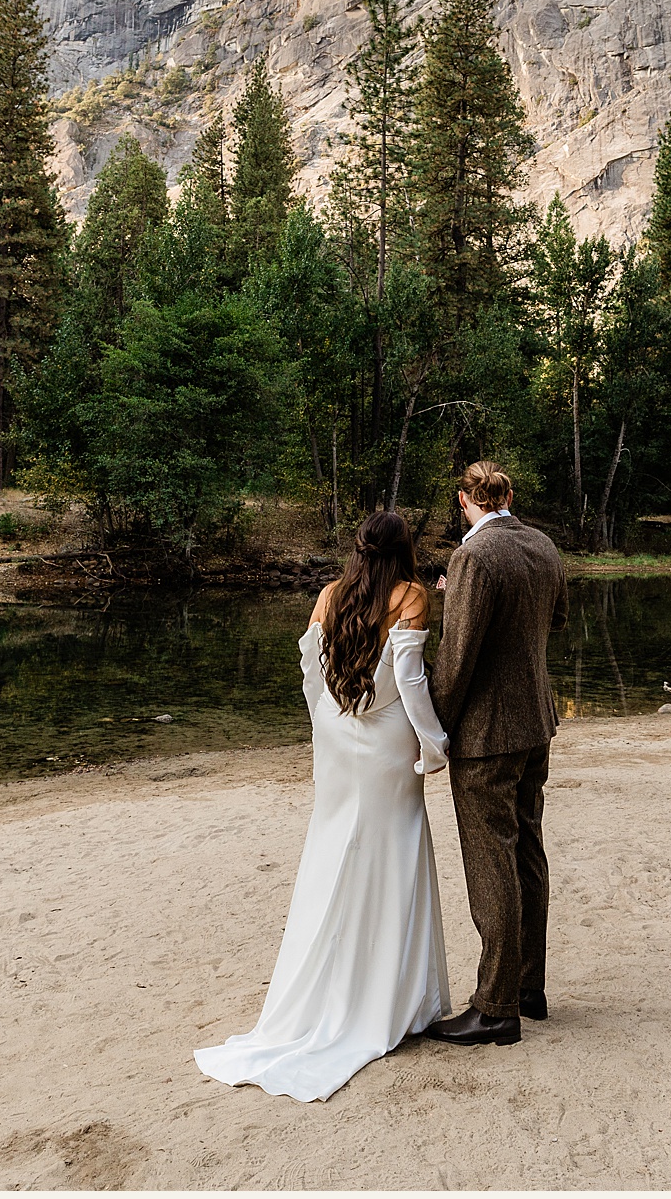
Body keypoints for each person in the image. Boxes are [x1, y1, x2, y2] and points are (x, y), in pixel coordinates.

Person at [193, 509, 453, 1102]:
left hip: (338, 735)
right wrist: (435, 744)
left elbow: (312, 669)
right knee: (394, 852)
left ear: (359, 548)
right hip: (390, 740)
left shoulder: (331, 594)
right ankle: (395, 999)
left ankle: (333, 993)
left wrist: (332, 720)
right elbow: (409, 680)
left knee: (335, 849)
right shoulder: (411, 595)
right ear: (403, 548)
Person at [422, 460, 568, 1047]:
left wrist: (432, 726)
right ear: (508, 495)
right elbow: (554, 618)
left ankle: (495, 1007)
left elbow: (456, 659)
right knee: (527, 848)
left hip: (488, 735)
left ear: (465, 500)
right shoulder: (543, 545)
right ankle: (528, 987)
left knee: (491, 862)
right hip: (536, 720)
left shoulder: (473, 557)